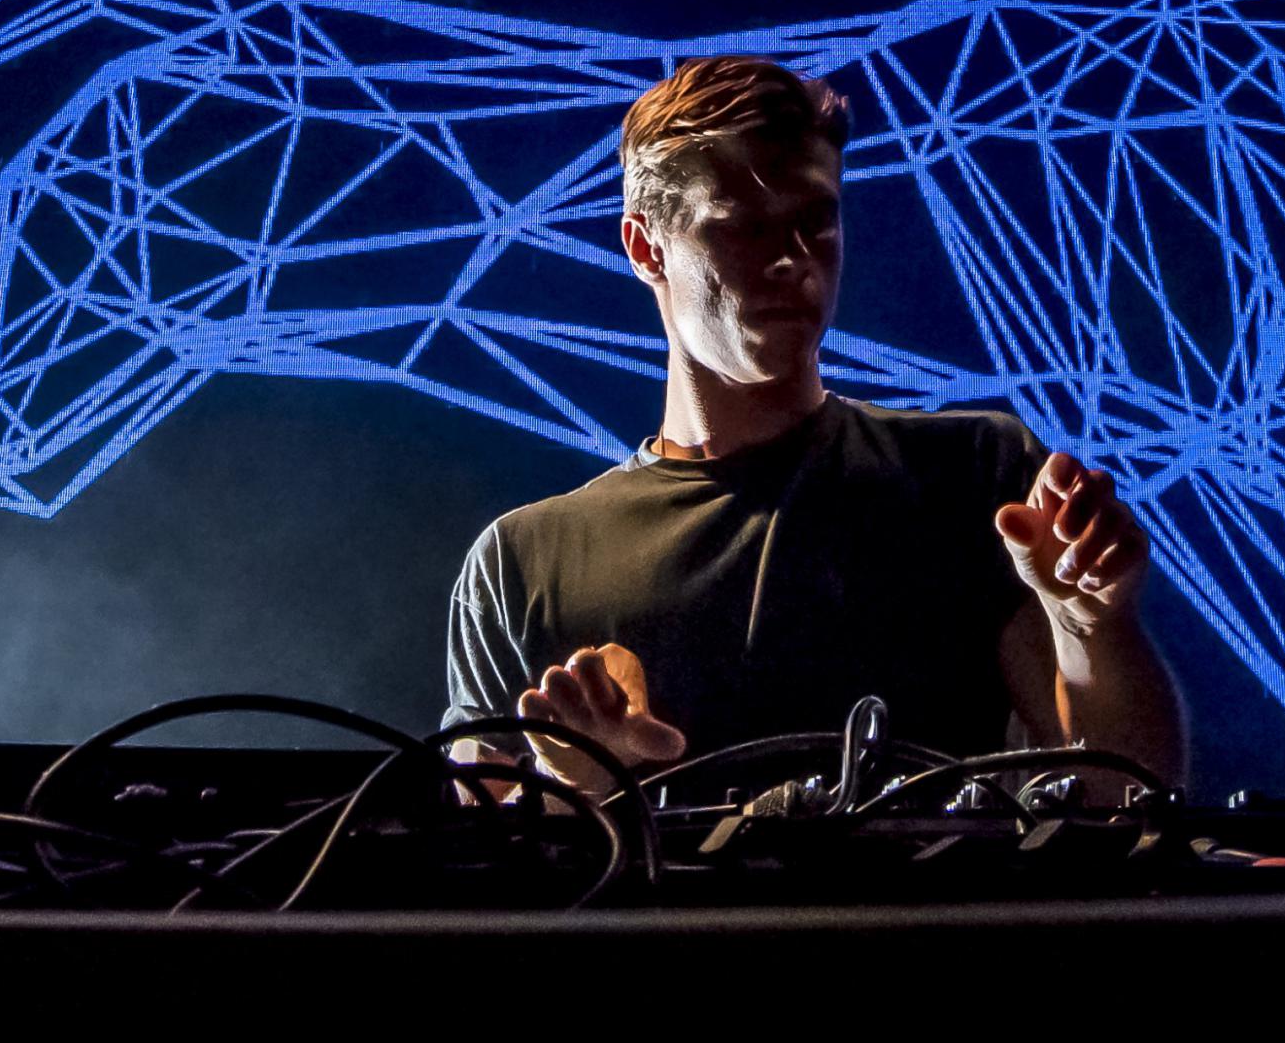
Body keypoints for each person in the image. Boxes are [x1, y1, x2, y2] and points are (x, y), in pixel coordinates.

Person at [443, 54, 1185, 801]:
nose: (793, 259)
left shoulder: (972, 473)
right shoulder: (523, 564)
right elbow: (466, 847)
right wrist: (568, 780)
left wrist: (1092, 624)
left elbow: (1126, 796)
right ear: (645, 248)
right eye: (744, 226)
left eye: (816, 220)